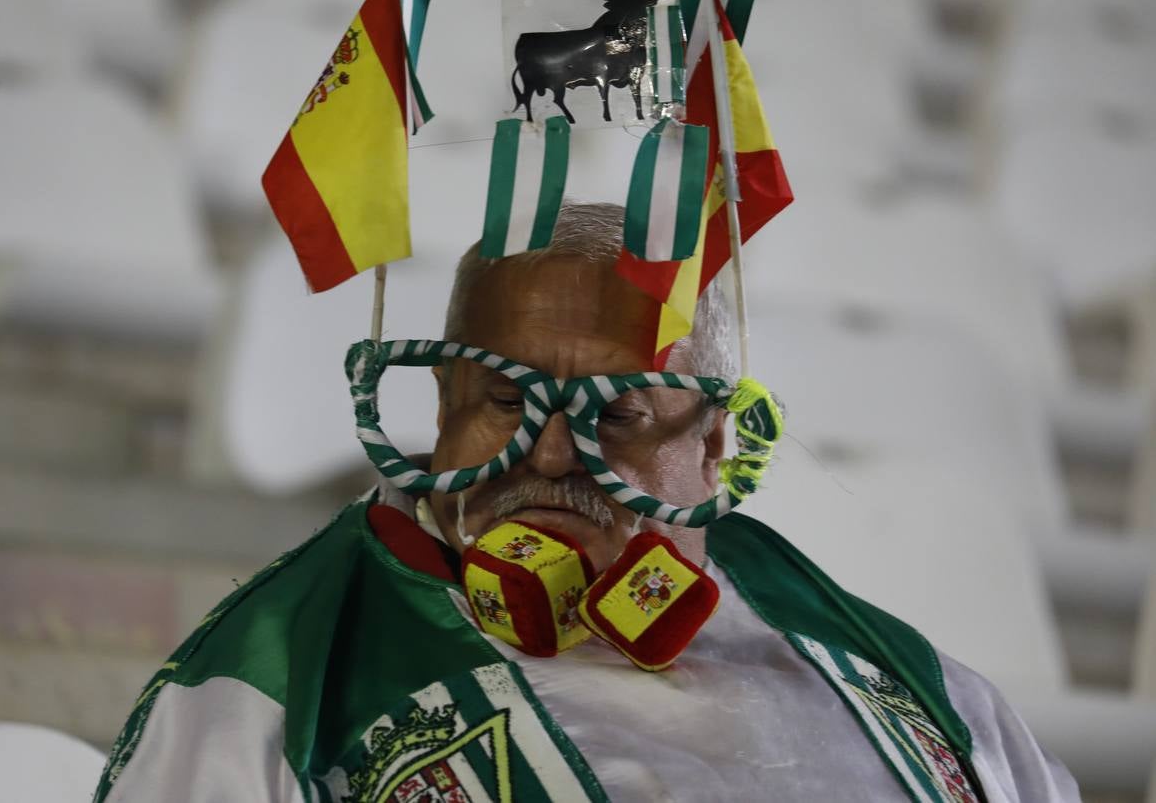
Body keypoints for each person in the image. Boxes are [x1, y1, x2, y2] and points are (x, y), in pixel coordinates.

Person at [92, 202, 1079, 802]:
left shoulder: (907, 684)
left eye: (618, 414)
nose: (554, 451)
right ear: (442, 408)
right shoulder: (264, 692)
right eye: (506, 398)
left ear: (715, 447)